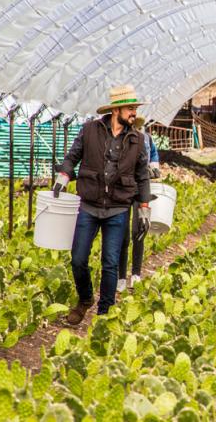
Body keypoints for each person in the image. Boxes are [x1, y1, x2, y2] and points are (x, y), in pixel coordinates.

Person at [53, 85, 151, 324]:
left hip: (118, 207)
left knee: (110, 262)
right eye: (130, 108)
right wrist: (63, 176)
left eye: (135, 109)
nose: (134, 113)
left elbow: (143, 175)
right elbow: (72, 157)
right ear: (116, 109)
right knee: (78, 258)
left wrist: (144, 207)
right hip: (89, 204)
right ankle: (85, 299)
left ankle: (104, 313)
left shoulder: (138, 140)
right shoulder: (89, 131)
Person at [117, 117, 160, 292]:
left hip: (142, 189)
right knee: (123, 234)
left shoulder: (147, 139)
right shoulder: (121, 139)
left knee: (139, 231)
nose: (137, 128)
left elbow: (154, 156)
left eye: (139, 126)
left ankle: (136, 274)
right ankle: (120, 276)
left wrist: (153, 168)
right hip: (123, 189)